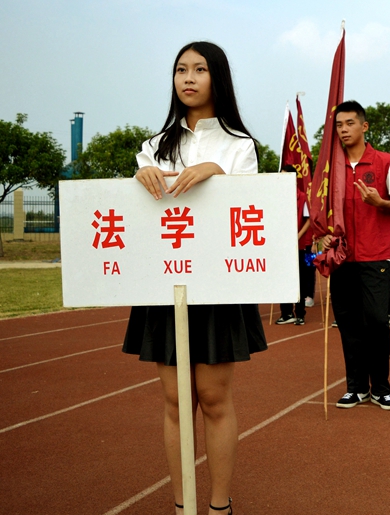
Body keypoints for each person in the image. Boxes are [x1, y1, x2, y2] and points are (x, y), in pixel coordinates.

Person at [124, 41, 264, 515]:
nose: (188, 78)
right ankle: (182, 505)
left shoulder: (240, 146)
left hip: (218, 286)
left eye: (199, 70)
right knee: (174, 399)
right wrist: (140, 178)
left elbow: (248, 212)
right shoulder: (152, 147)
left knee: (213, 397)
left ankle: (219, 505)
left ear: (217, 78)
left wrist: (217, 171)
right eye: (180, 70)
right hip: (166, 286)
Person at [320, 100, 390, 410]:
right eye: (339, 125)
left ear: (364, 126)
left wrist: (379, 201)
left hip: (376, 256)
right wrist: (322, 233)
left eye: (349, 124)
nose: (343, 130)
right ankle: (355, 387)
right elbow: (320, 210)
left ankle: (381, 387)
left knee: (375, 322)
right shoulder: (330, 167)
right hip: (342, 256)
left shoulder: (384, 161)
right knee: (348, 324)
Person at [277, 165, 312, 325]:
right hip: (281, 246)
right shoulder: (277, 197)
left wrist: (297, 236)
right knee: (283, 278)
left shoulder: (302, 197)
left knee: (300, 279)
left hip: (298, 246)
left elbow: (308, 220)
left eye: (286, 176)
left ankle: (300, 313)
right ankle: (286, 313)